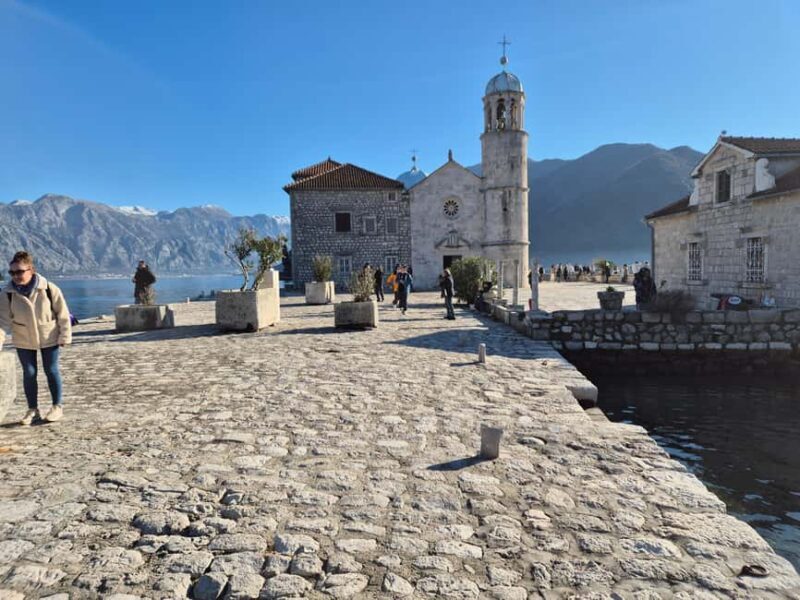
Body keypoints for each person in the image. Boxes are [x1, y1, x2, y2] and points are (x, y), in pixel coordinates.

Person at [0, 251, 72, 425]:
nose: (15, 276)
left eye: (19, 271)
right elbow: (3, 321)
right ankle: (33, 410)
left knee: (51, 370)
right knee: (29, 373)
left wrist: (65, 335)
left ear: (31, 270)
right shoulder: (7, 293)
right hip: (23, 338)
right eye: (12, 272)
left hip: (49, 335)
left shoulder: (49, 288)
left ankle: (57, 407)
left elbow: (62, 314)